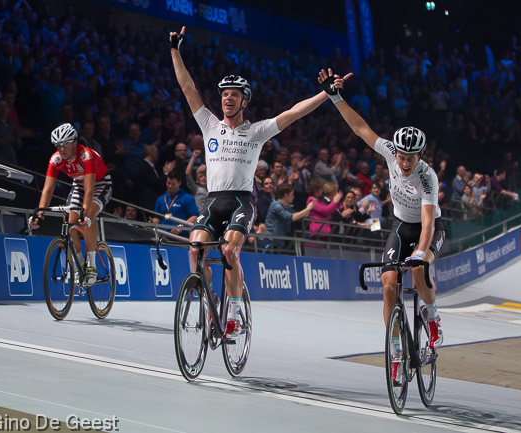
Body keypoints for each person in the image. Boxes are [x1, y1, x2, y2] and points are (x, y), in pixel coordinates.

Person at [170, 26, 333, 339]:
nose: (227, 98)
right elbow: (188, 88)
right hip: (214, 201)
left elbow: (294, 113)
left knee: (230, 251)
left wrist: (327, 93)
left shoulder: (256, 131)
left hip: (242, 202)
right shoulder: (209, 124)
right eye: (224, 94)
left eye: (234, 94)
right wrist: (175, 50)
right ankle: (208, 297)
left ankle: (233, 313)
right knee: (194, 249)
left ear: (244, 101)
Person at [319, 69, 446, 362]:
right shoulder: (390, 152)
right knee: (388, 283)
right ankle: (396, 346)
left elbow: (427, 223)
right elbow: (360, 128)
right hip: (401, 227)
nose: (403, 162)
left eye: (410, 158)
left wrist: (421, 252)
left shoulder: (428, 178)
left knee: (418, 267)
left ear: (421, 156)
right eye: (400, 156)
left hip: (429, 229)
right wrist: (335, 96)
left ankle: (433, 316)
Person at [28, 123, 112, 285]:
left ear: (74, 142)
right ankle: (79, 263)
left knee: (88, 217)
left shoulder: (86, 156)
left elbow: (89, 190)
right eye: (58, 146)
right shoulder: (56, 159)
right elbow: (48, 188)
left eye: (65, 144)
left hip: (100, 184)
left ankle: (92, 267)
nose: (62, 149)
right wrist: (40, 215)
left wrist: (85, 214)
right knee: (69, 222)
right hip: (78, 185)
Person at [264, 184, 317, 250]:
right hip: (271, 240)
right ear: (286, 195)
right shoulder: (276, 206)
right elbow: (292, 217)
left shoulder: (287, 207)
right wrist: (307, 209)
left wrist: (310, 207)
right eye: (292, 195)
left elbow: (300, 215)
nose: (293, 197)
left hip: (280, 241)